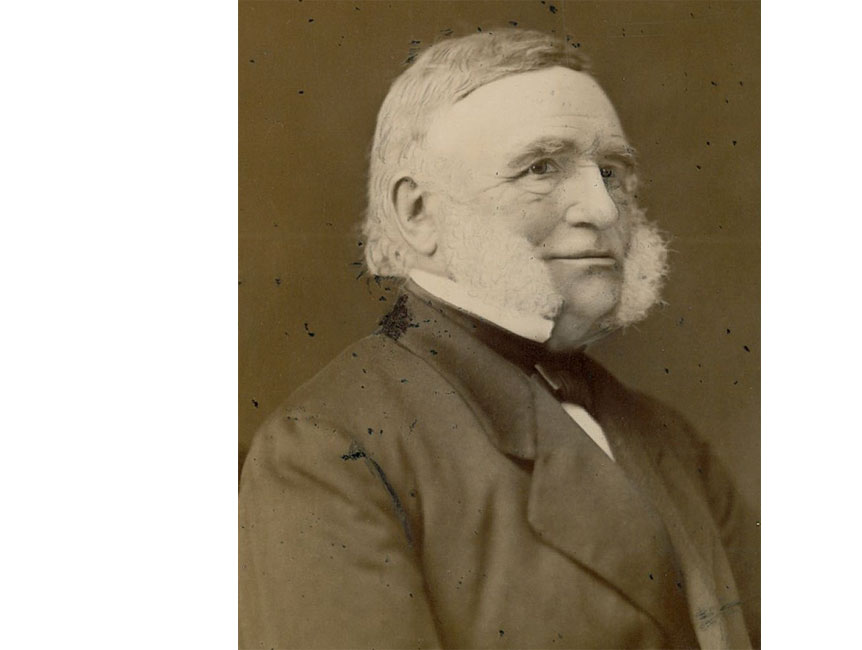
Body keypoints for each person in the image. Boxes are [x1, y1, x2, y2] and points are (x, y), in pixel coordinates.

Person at [239, 28, 759, 649]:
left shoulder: (670, 440)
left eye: (611, 171)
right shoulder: (331, 451)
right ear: (418, 214)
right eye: (541, 168)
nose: (603, 209)